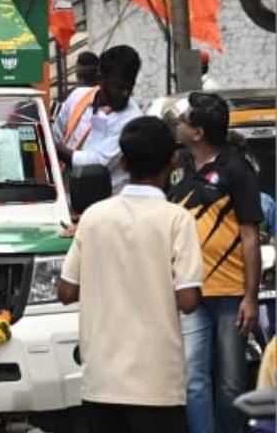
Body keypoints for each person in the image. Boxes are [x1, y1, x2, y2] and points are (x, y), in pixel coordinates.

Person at [57, 117, 203, 433]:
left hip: (102, 381)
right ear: (173, 160)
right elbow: (188, 299)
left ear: (122, 162)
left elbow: (66, 292)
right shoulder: (178, 220)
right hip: (157, 383)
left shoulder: (94, 217)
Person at [171, 93, 263, 433]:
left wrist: (250, 298)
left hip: (229, 295)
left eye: (184, 121)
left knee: (229, 384)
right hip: (189, 290)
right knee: (193, 380)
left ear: (198, 134)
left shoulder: (236, 169)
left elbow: (251, 236)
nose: (178, 125)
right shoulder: (177, 166)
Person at [53, 45, 144, 192]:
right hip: (64, 199)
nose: (126, 94)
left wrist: (54, 149)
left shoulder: (132, 119)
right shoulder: (78, 97)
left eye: (130, 87)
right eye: (119, 87)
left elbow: (97, 162)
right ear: (101, 79)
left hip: (104, 206)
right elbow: (57, 134)